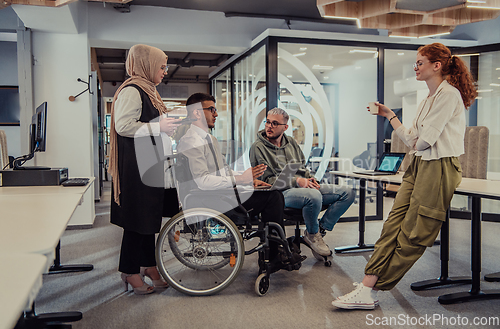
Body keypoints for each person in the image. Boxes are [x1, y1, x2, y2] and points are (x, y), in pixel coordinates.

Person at [331, 42, 477, 310]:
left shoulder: (449, 96)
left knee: (414, 233)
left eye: (420, 62)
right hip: (419, 165)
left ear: (437, 65)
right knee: (392, 226)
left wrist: (418, 140)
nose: (415, 67)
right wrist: (389, 115)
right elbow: (413, 140)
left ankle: (371, 286)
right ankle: (368, 284)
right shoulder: (426, 101)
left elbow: (424, 141)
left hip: (439, 167)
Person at [177, 93, 299, 266]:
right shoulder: (191, 141)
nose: (216, 114)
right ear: (197, 113)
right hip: (210, 200)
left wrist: (247, 179)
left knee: (271, 193)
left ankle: (275, 250)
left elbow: (223, 171)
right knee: (273, 198)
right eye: (212, 109)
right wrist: (240, 180)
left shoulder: (209, 139)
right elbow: (202, 182)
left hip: (219, 195)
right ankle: (274, 254)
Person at [109, 44, 181, 295]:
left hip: (149, 165)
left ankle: (148, 265)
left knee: (148, 219)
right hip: (136, 169)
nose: (165, 71)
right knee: (136, 221)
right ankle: (129, 271)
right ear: (146, 65)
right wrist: (158, 127)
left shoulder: (148, 90)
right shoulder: (132, 90)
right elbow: (123, 126)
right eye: (161, 67)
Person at [249, 108, 355, 257]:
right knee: (313, 196)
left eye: (274, 123)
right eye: (267, 122)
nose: (269, 126)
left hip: (302, 188)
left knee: (347, 193)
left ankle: (318, 232)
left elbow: (302, 167)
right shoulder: (257, 147)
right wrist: (297, 181)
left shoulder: (291, 142)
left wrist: (310, 179)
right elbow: (266, 181)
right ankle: (313, 234)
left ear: (285, 127)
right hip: (278, 194)